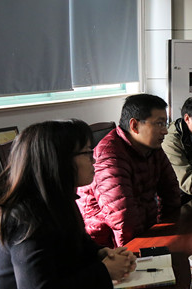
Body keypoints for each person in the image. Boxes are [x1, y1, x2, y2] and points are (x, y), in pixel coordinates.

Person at [0, 120, 137, 289]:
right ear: (58, 160)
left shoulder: (58, 199)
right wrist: (104, 272)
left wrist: (102, 253)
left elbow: (78, 244)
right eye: (86, 152)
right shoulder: (27, 217)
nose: (94, 159)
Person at [77, 94, 181, 248]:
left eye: (165, 124)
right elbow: (123, 220)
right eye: (159, 124)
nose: (165, 131)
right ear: (134, 125)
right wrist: (135, 255)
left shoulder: (153, 148)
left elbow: (171, 192)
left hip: (146, 232)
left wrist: (169, 229)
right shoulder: (109, 157)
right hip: (106, 246)